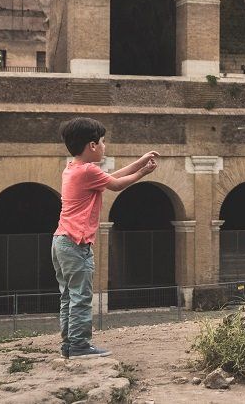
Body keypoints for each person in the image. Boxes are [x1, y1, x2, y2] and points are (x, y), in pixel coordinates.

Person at [52, 117, 158, 358]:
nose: (104, 146)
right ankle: (79, 346)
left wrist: (139, 161)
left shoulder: (74, 169)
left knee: (68, 295)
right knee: (81, 296)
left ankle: (69, 344)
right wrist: (144, 171)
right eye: (102, 142)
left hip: (61, 241)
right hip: (76, 243)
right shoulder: (88, 171)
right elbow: (117, 184)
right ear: (91, 146)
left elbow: (111, 177)